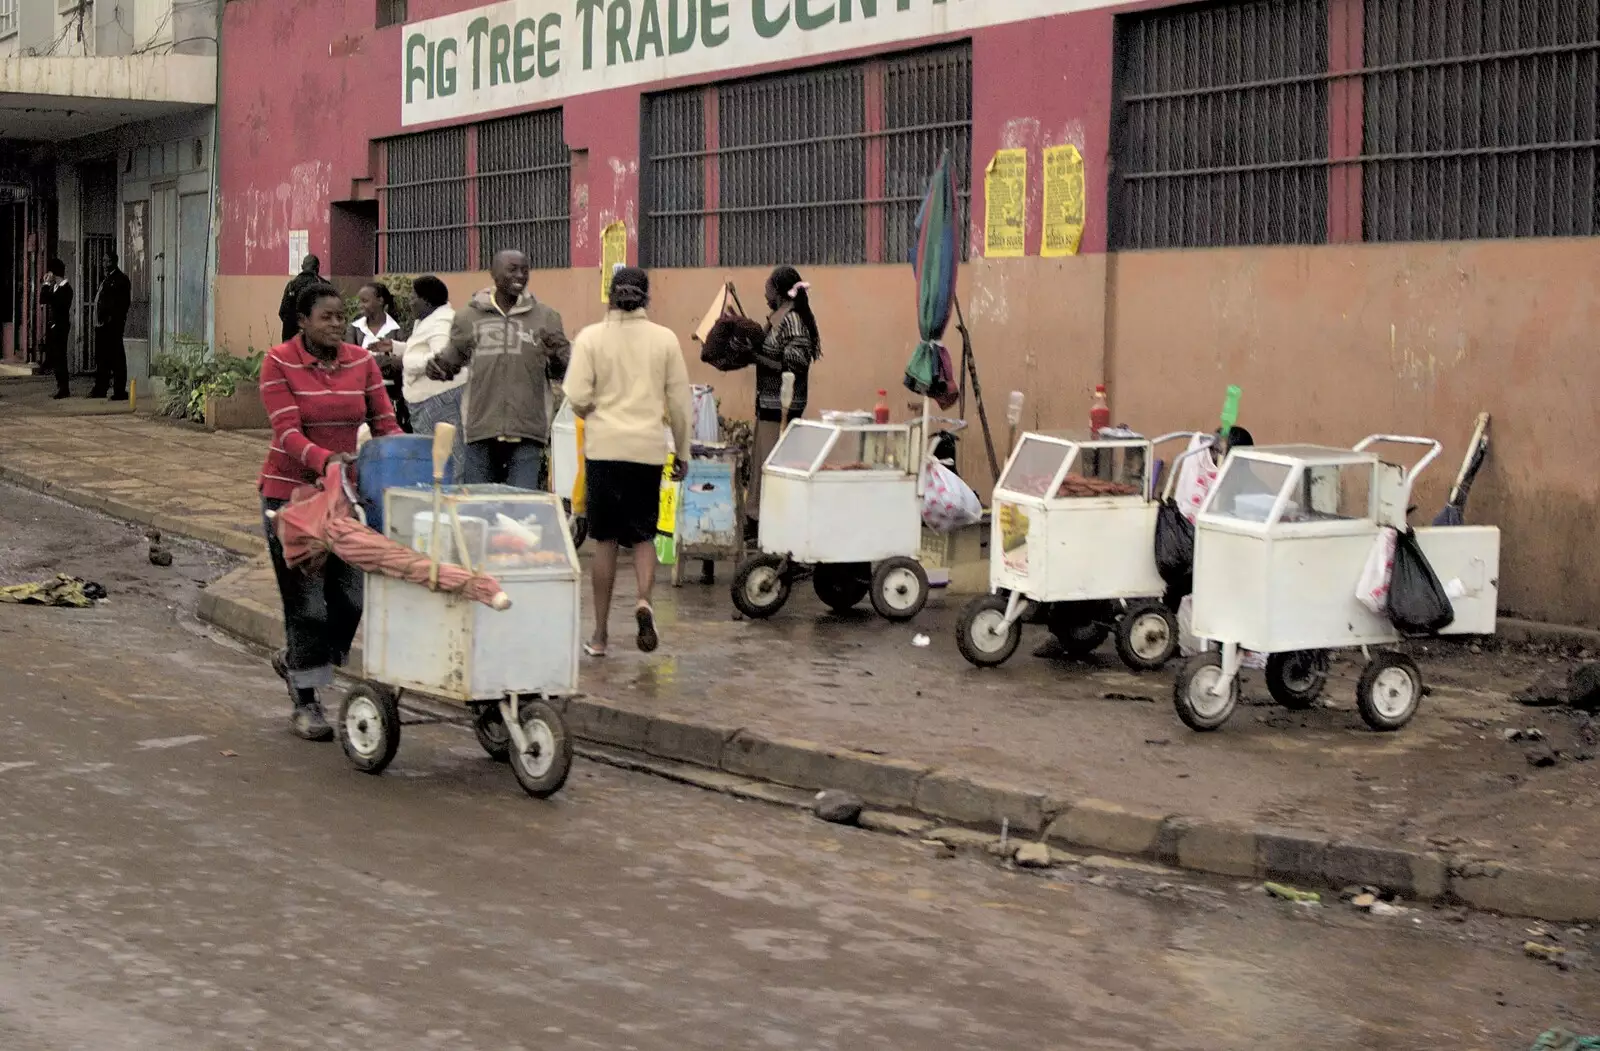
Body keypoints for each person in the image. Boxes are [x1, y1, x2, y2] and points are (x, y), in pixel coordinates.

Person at [258, 282, 402, 741]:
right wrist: (325, 460)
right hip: (291, 500)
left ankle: (302, 661)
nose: (337, 325)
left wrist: (406, 458)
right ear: (302, 320)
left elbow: (385, 423)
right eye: (327, 317)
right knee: (307, 606)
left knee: (353, 599)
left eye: (342, 317)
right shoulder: (278, 361)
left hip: (347, 500)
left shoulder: (361, 363)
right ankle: (307, 701)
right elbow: (286, 432)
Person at [563, 267, 693, 656]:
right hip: (647, 450)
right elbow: (681, 405)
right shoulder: (664, 340)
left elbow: (575, 395)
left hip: (604, 449)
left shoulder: (590, 338)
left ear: (610, 296)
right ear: (647, 298)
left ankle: (600, 635)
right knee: (643, 536)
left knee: (605, 540)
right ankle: (643, 600)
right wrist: (682, 452)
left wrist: (596, 411)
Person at [426, 249, 569, 489]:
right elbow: (452, 361)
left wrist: (557, 355)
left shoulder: (546, 317)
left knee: (519, 509)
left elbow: (563, 370)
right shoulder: (468, 316)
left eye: (525, 270)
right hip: (481, 427)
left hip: (528, 429)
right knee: (478, 508)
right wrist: (438, 368)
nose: (520, 275)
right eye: (512, 269)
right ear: (493, 273)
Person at [745, 265, 822, 541]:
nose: (765, 292)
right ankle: (757, 519)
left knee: (773, 466)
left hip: (783, 407)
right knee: (762, 465)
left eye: (768, 286)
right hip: (769, 405)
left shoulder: (792, 321)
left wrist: (758, 358)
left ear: (779, 292)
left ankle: (773, 526)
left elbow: (796, 363)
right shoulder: (778, 318)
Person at [401, 275, 465, 474]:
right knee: (437, 461)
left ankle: (451, 501)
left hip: (441, 401)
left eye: (413, 297)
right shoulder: (429, 320)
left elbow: (443, 355)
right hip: (431, 401)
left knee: (448, 461)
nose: (410, 301)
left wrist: (408, 364)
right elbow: (423, 349)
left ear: (426, 300)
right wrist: (396, 348)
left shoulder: (442, 321)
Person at [348, 281, 409, 432]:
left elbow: (400, 365)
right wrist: (384, 361)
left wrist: (367, 362)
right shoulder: (354, 329)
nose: (360, 306)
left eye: (365, 301)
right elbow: (350, 361)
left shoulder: (397, 331)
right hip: (360, 396)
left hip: (391, 398)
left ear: (380, 301)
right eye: (360, 301)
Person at [88, 250, 132, 401]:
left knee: (117, 359)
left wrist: (110, 319)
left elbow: (121, 304)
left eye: (107, 261)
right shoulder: (106, 279)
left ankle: (119, 391)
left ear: (115, 262)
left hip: (112, 327)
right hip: (101, 326)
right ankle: (101, 388)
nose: (104, 264)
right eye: (103, 261)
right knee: (102, 359)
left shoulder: (121, 279)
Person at [39, 259, 74, 400]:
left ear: (53, 273)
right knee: (56, 357)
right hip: (54, 326)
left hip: (61, 327)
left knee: (60, 357)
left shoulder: (66, 289)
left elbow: (50, 300)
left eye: (49, 272)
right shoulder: (56, 288)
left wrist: (46, 284)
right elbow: (43, 299)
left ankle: (64, 388)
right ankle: (60, 385)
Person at [277, 255, 323, 343]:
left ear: (302, 267)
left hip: (290, 341)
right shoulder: (322, 286)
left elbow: (282, 312)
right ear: (317, 268)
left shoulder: (291, 285)